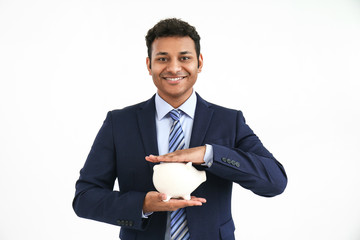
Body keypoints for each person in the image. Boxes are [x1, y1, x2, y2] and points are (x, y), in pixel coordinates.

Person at [73, 18, 287, 240]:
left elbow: (275, 182)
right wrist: (143, 205)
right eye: (162, 58)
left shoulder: (229, 121)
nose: (174, 68)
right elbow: (85, 198)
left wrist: (209, 154)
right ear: (149, 65)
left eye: (184, 58)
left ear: (199, 62)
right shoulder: (119, 123)